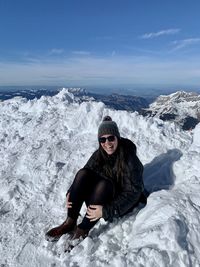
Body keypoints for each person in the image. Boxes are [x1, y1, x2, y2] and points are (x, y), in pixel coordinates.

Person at [46, 116, 147, 242]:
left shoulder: (130, 160)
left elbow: (133, 193)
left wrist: (105, 211)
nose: (107, 143)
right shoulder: (100, 154)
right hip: (102, 196)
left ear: (118, 138)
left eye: (111, 138)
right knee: (83, 174)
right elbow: (87, 170)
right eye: (102, 140)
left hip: (121, 204)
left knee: (105, 184)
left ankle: (83, 229)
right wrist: (71, 191)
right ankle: (70, 222)